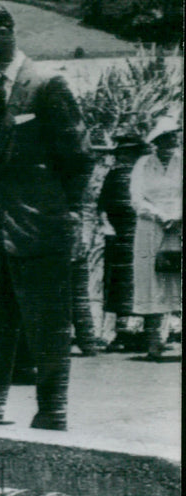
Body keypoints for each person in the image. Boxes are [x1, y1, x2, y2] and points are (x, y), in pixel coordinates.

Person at [0, 4, 93, 431]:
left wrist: (70, 217)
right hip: (1, 227)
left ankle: (53, 412)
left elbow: (77, 159)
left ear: (5, 32)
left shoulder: (47, 84)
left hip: (44, 226)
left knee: (49, 325)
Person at [129, 112, 182, 360]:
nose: (168, 145)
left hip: (178, 226)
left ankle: (171, 335)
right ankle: (153, 341)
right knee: (151, 279)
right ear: (156, 143)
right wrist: (159, 215)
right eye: (163, 140)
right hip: (151, 227)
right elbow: (136, 198)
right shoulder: (143, 164)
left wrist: (177, 216)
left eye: (172, 139)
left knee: (175, 278)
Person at [97, 134, 150, 351]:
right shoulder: (114, 175)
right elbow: (101, 205)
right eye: (121, 153)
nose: (124, 157)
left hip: (142, 233)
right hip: (118, 236)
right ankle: (121, 332)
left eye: (128, 153)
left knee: (140, 282)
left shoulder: (145, 175)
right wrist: (106, 226)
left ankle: (141, 332)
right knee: (119, 283)